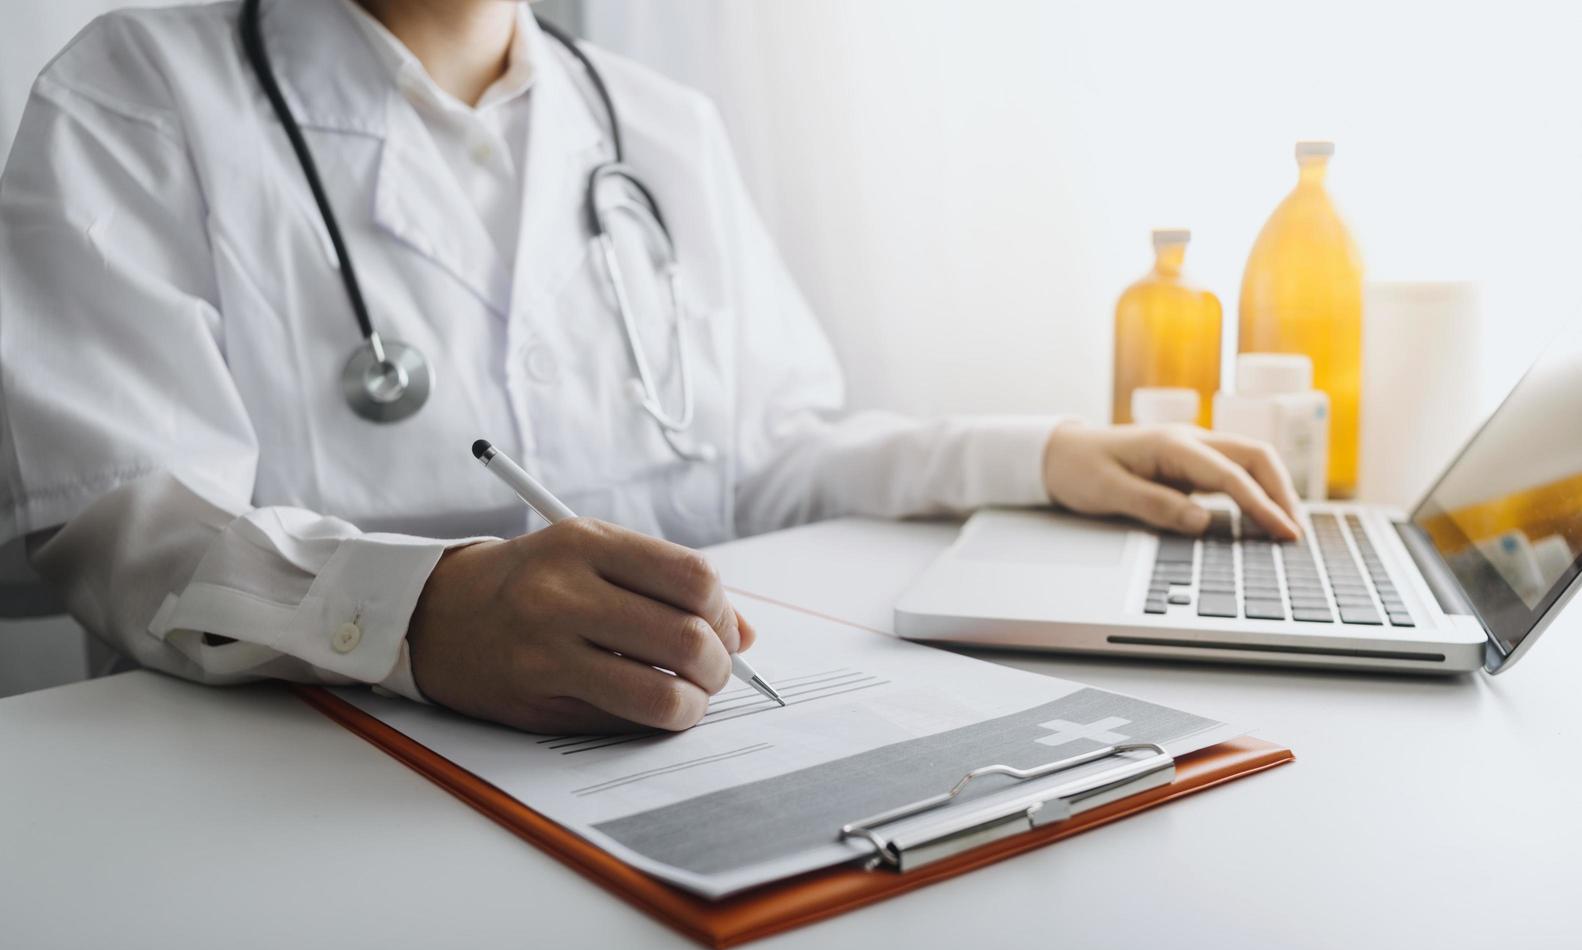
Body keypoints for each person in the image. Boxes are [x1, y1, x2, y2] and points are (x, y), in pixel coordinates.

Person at [0, 0, 1300, 735]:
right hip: (293, 777)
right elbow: (123, 523)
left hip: (671, 749)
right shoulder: (135, 92)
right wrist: (424, 613)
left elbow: (774, 450)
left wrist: (1034, 454)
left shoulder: (657, 125)